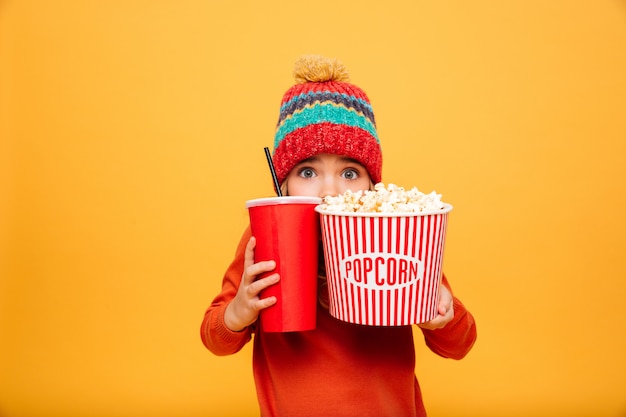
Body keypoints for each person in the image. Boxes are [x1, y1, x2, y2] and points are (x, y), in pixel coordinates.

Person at [200, 54, 477, 417]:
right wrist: (238, 313)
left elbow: (459, 345)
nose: (329, 190)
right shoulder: (264, 235)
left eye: (349, 173)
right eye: (308, 172)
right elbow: (215, 338)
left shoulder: (399, 234)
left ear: (373, 187)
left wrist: (441, 315)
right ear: (282, 184)